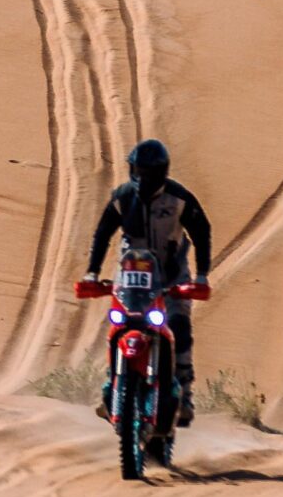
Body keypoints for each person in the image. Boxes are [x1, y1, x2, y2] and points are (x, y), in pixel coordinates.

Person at [85, 138, 214, 422]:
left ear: (159, 172)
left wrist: (202, 275)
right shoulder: (122, 197)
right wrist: (92, 273)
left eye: (146, 171)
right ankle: (112, 387)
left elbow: (201, 231)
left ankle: (185, 396)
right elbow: (103, 234)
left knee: (179, 326)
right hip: (131, 279)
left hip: (171, 276)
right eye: (137, 170)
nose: (141, 176)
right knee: (119, 326)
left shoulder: (179, 199)